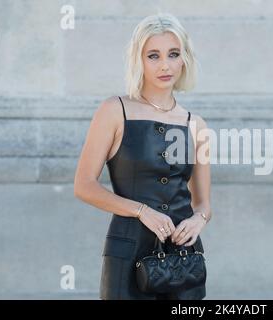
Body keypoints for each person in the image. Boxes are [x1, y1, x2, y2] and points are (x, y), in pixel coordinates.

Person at [73, 13, 212, 300]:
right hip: (127, 255)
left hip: (184, 259)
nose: (165, 65)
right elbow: (84, 185)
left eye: (173, 54)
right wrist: (141, 210)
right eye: (153, 55)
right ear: (139, 60)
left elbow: (203, 204)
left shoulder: (195, 124)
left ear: (184, 58)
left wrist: (199, 220)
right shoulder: (114, 110)